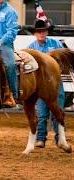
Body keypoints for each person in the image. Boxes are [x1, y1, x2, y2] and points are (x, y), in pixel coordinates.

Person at [27, 19, 65, 148]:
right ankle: (41, 138)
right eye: (39, 32)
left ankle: (59, 137)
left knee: (57, 111)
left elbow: (63, 60)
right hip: (40, 86)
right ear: (35, 34)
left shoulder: (56, 44)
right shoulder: (31, 48)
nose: (41, 34)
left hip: (54, 83)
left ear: (47, 32)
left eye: (43, 31)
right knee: (42, 113)